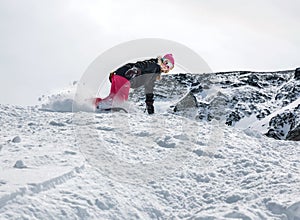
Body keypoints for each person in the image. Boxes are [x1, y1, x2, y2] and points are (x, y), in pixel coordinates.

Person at [94, 54, 175, 114]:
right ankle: (103, 108)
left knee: (112, 97)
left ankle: (94, 103)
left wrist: (149, 104)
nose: (166, 66)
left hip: (119, 75)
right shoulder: (154, 65)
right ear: (162, 59)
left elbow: (149, 89)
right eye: (166, 62)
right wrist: (135, 69)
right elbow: (143, 65)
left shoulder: (154, 73)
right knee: (120, 101)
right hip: (125, 76)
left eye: (169, 66)